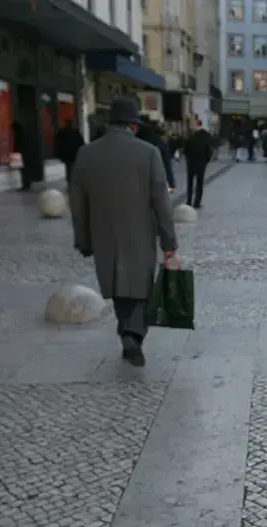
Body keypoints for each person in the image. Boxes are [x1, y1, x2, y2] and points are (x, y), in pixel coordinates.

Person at [68, 98, 177, 368]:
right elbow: (161, 202)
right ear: (134, 126)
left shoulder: (86, 154)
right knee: (142, 290)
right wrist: (169, 242)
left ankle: (127, 335)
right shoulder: (149, 153)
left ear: (108, 124)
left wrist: (83, 239)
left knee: (118, 290)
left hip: (104, 235)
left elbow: (77, 204)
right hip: (140, 235)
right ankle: (133, 333)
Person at [136, 118, 177, 195]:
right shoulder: (161, 144)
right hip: (156, 179)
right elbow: (167, 166)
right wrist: (172, 185)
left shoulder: (137, 142)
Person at [185, 116, 214, 209]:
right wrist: (206, 160)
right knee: (198, 183)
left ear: (197, 123)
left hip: (193, 162)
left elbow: (186, 149)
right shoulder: (204, 135)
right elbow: (209, 150)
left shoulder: (191, 135)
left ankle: (190, 201)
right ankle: (195, 201)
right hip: (199, 162)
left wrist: (205, 160)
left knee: (192, 182)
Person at [54, 120, 85, 186]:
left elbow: (57, 143)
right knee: (72, 167)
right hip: (73, 153)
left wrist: (58, 153)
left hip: (66, 154)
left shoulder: (62, 132)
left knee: (68, 167)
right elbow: (81, 143)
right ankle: (72, 181)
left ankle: (70, 182)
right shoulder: (75, 132)